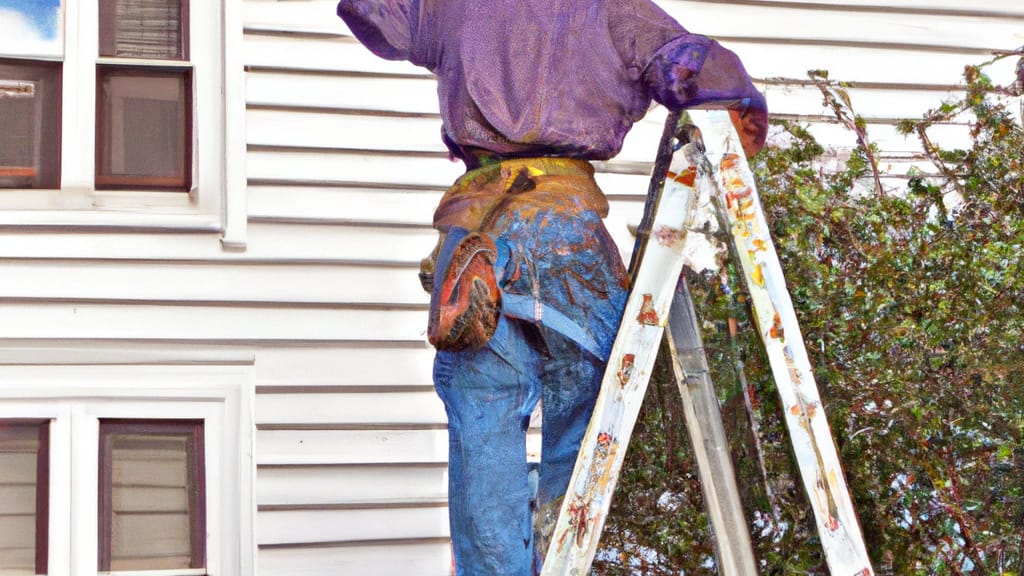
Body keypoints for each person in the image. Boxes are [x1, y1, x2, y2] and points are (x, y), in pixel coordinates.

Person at [336, 1, 767, 574]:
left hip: (475, 240)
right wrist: (744, 118)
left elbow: (370, 13)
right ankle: (563, 560)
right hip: (565, 232)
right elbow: (696, 69)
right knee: (585, 428)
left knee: (484, 434)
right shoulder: (613, 10)